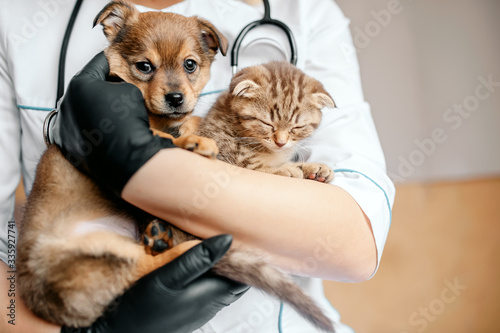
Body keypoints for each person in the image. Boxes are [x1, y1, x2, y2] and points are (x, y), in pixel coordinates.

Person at [0, 0, 395, 332]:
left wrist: (143, 165)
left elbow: (356, 244)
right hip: (75, 271)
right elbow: (5, 248)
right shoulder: (17, 15)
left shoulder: (306, 10)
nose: (173, 90)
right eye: (145, 67)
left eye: (190, 66)